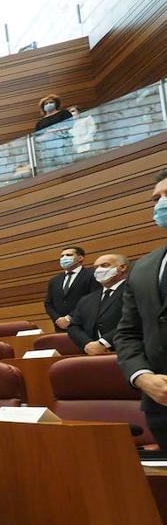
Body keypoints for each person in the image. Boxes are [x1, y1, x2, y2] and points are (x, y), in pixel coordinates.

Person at [115, 169, 167, 448]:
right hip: (160, 409)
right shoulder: (143, 267)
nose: (161, 203)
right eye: (156, 198)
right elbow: (127, 334)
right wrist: (143, 377)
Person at [67, 254, 129, 354]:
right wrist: (89, 345)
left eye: (104, 265)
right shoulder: (87, 299)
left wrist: (103, 343)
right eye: (96, 267)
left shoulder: (135, 290)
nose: (99, 270)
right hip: (93, 355)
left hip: (129, 351)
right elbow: (74, 326)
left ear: (122, 267)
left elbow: (137, 319)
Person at [44, 245, 98, 330]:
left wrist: (69, 317)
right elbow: (48, 303)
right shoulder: (54, 280)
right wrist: (57, 319)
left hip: (83, 324)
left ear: (80, 258)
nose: (64, 258)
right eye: (62, 256)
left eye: (69, 255)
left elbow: (93, 298)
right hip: (60, 327)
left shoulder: (92, 275)